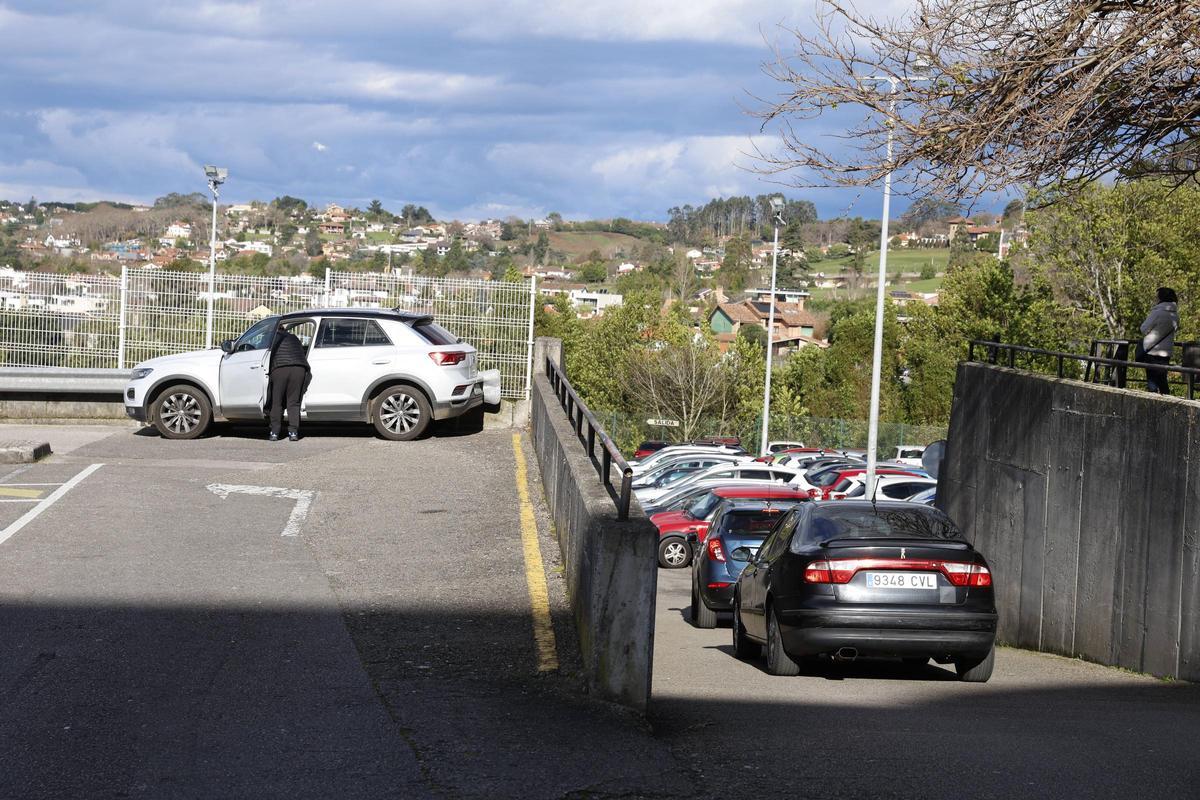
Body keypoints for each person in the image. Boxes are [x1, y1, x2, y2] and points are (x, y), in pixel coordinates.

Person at [267, 325, 310, 441]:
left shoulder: (272, 338)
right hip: (299, 369)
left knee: (277, 402)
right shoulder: (294, 337)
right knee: (294, 402)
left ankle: (275, 432)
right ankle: (293, 433)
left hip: (280, 369)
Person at [1137, 287, 1179, 394]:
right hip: (1166, 352)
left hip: (1152, 350)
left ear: (1161, 297)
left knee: (1152, 380)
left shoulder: (1157, 312)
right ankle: (1166, 402)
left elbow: (1143, 328)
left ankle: (1152, 403)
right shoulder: (1175, 315)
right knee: (1162, 379)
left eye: (1157, 296)